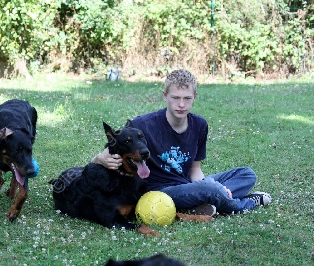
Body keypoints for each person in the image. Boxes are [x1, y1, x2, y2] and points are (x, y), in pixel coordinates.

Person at [92, 69, 271, 216]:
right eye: (175, 98)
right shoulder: (142, 124)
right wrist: (99, 159)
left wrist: (211, 187)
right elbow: (116, 147)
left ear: (194, 96)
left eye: (187, 98)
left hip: (186, 184)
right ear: (165, 96)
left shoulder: (200, 125)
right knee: (211, 189)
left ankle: (206, 201)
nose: (181, 104)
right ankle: (244, 203)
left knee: (247, 174)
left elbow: (195, 170)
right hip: (158, 192)